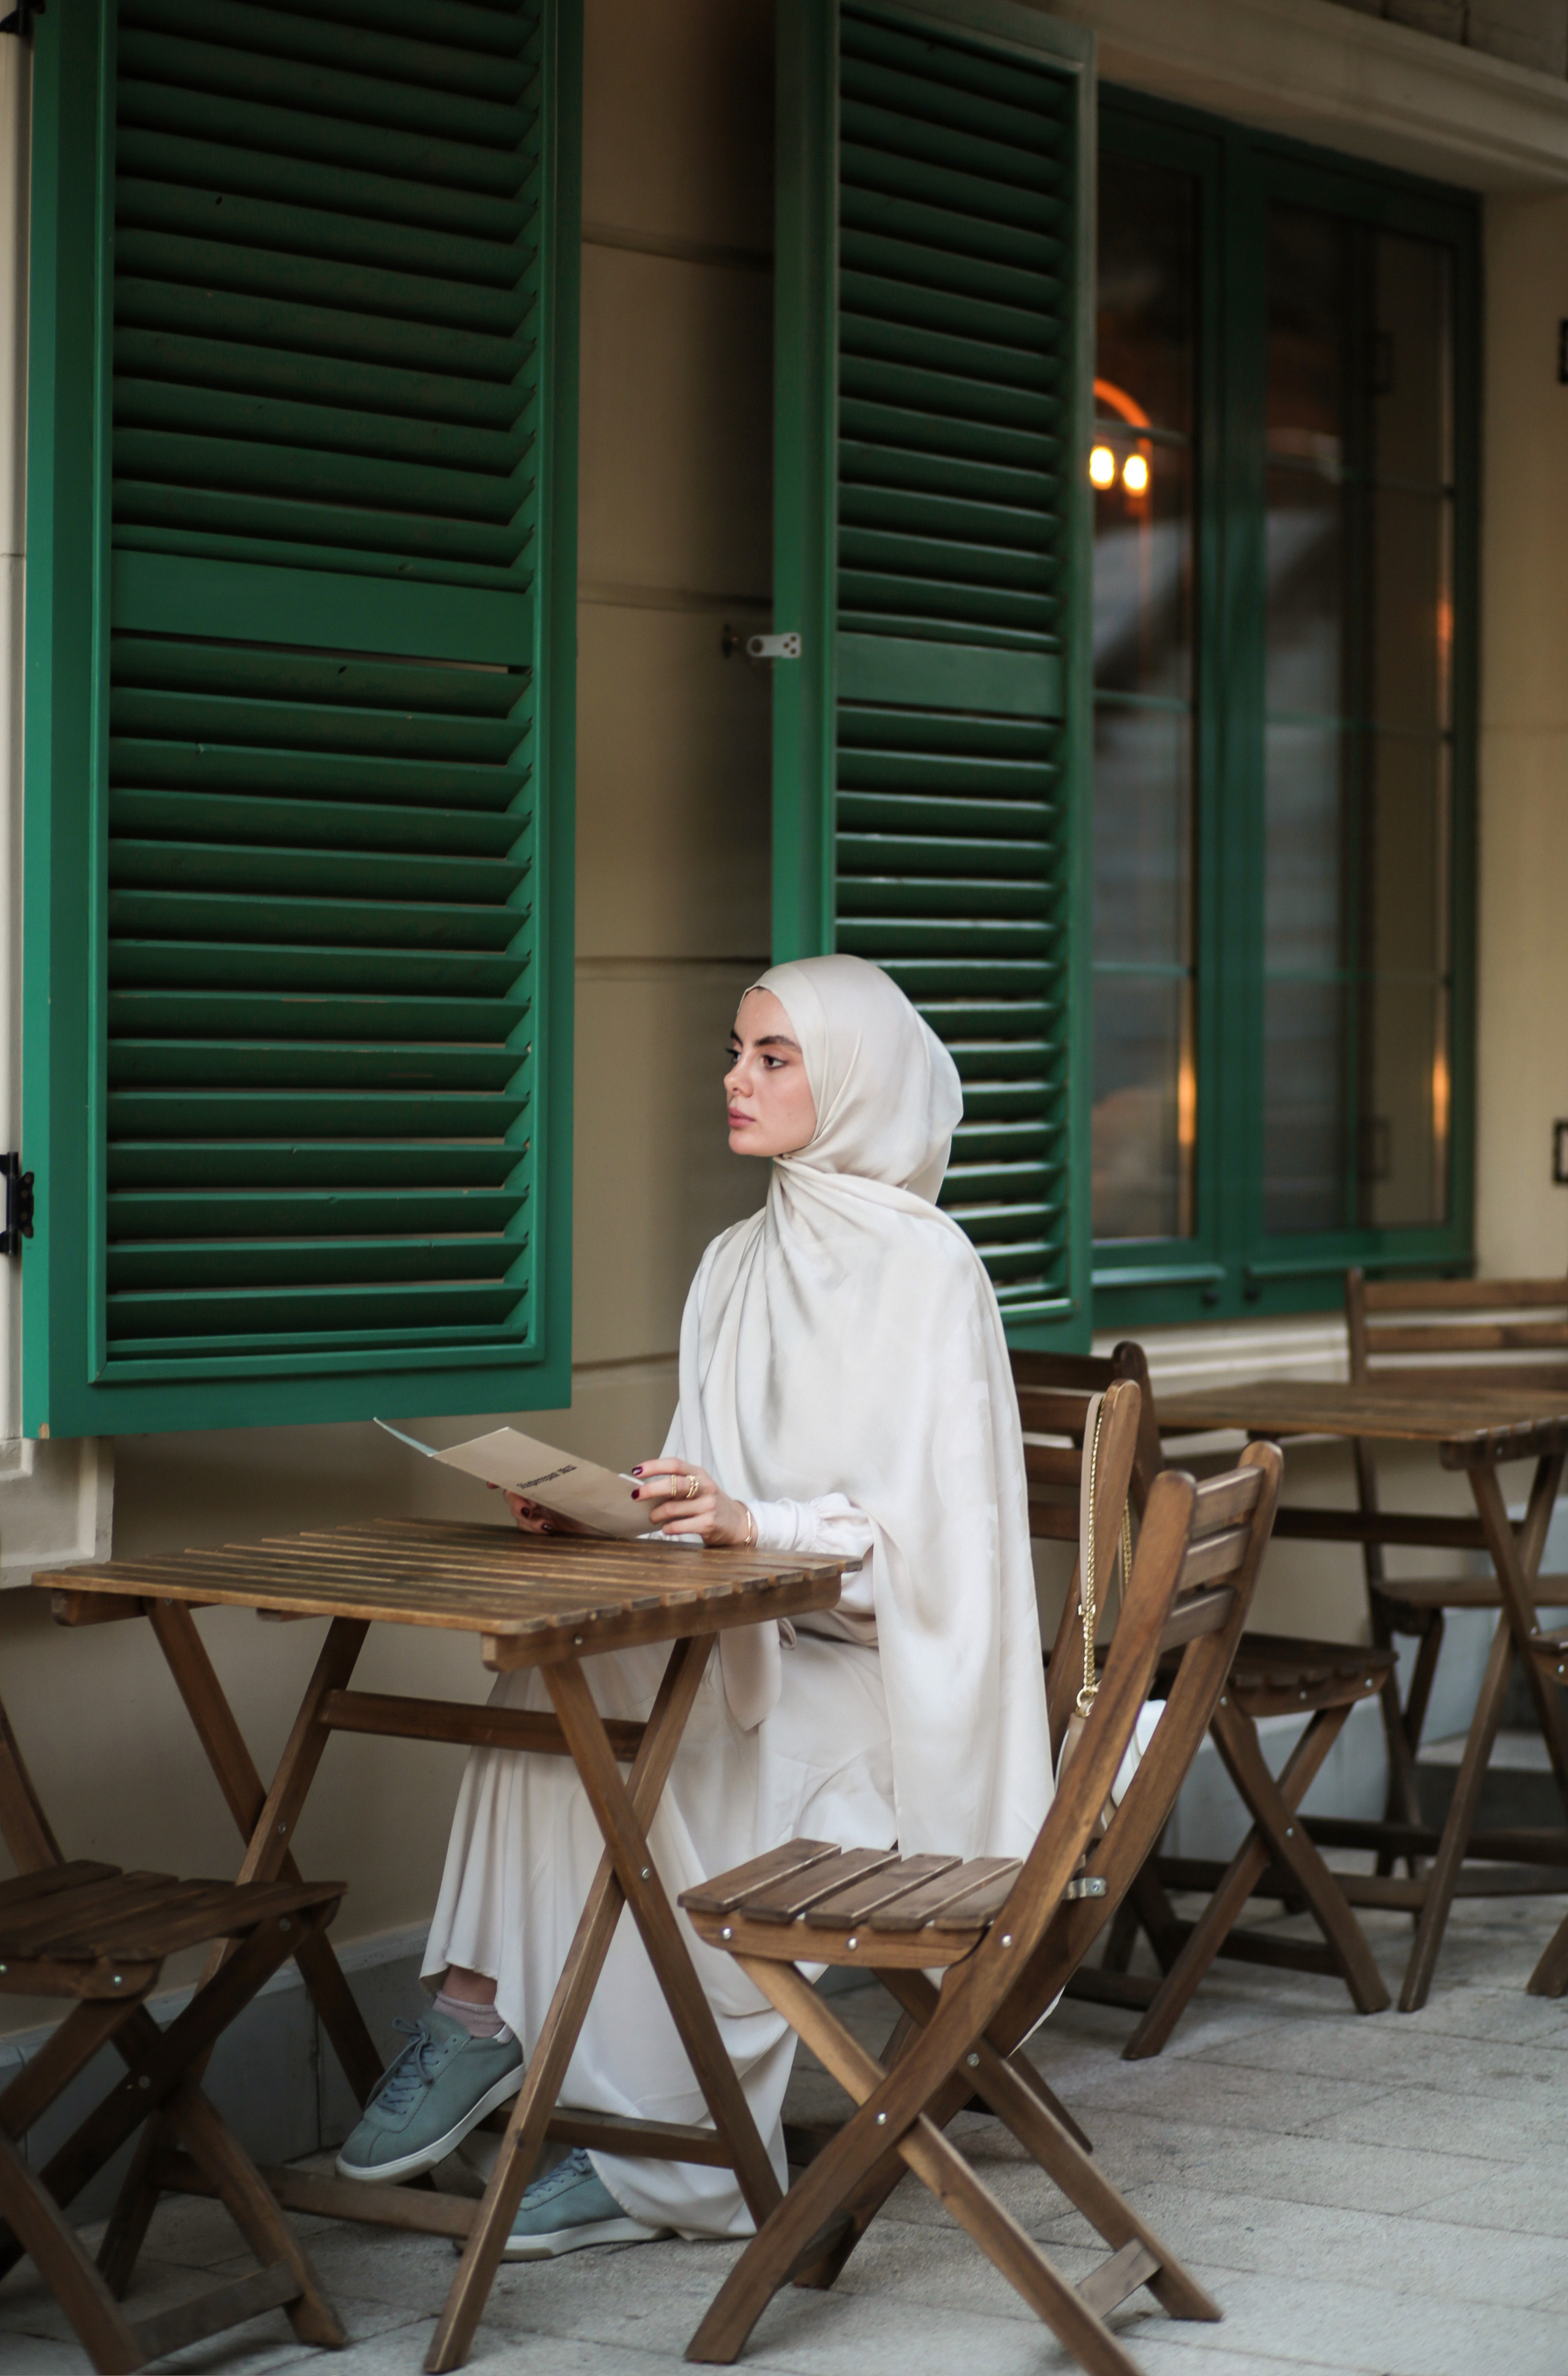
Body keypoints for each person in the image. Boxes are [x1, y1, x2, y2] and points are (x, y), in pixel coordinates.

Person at [336, 953, 1051, 2258]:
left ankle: (664, 2156)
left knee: (665, 1753)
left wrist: (747, 1521)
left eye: (772, 1057)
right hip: (751, 1635)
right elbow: (706, 1482)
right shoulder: (734, 1259)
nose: (733, 1077)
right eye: (736, 1048)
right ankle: (475, 2009)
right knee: (552, 1681)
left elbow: (931, 1554)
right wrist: (615, 1503)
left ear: (846, 1082)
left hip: (889, 1687)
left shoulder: (931, 1272)